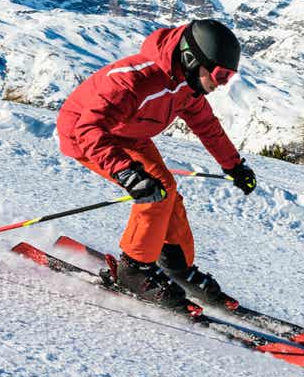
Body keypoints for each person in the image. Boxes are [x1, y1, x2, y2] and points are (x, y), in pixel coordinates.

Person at [55, 18, 257, 313]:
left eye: (229, 77)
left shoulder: (188, 86)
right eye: (220, 74)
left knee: (168, 191)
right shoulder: (134, 80)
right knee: (155, 192)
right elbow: (90, 129)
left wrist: (235, 166)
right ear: (191, 59)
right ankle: (133, 270)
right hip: (89, 136)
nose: (223, 83)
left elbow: (207, 126)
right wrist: (125, 172)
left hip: (131, 134)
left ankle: (176, 266)